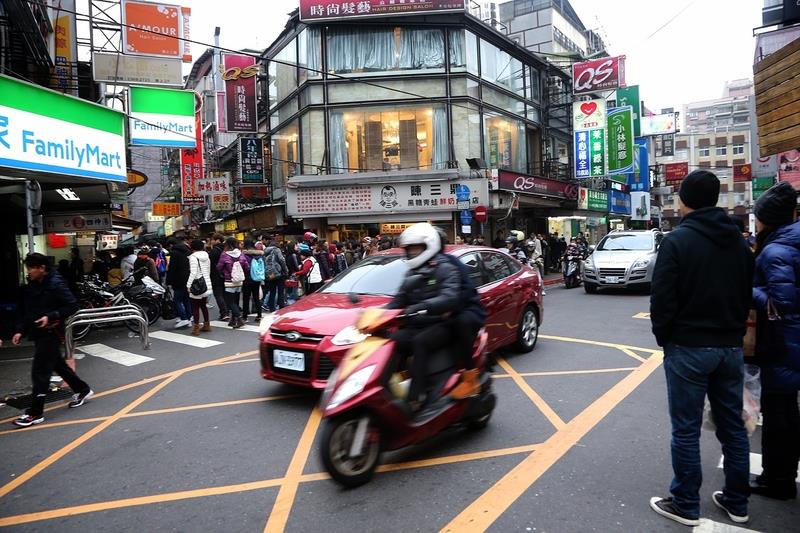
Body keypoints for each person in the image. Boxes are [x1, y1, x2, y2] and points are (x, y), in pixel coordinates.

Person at [649, 170, 754, 527]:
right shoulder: (739, 242)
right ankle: (737, 502)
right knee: (733, 428)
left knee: (686, 428)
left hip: (688, 347)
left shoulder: (677, 241)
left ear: (685, 200)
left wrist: (665, 338)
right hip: (729, 346)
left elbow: (662, 299)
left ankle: (685, 503)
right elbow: (746, 294)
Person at [748, 182, 800, 501]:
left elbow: (782, 300)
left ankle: (777, 480)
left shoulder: (777, 250)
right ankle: (780, 475)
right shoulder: (790, 243)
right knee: (786, 412)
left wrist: (747, 290)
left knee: (779, 415)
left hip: (783, 343)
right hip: (790, 341)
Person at [11, 253, 93, 427]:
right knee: (58, 365)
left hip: (52, 332)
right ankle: (82, 389)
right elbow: (28, 311)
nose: (29, 272)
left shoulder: (56, 284)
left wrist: (51, 316)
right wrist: (20, 330)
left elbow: (72, 305)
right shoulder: (32, 285)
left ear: (42, 268)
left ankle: (35, 413)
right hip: (38, 332)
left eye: (32, 268)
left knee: (40, 372)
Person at [387, 223, 462, 411]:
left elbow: (450, 297)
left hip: (441, 324)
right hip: (415, 325)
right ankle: (385, 389)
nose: (412, 252)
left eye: (416, 248)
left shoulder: (446, 269)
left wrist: (424, 306)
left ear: (429, 246)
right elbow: (398, 300)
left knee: (420, 342)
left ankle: (416, 397)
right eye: (409, 248)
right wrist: (377, 314)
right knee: (390, 341)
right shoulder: (411, 272)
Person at [434, 228, 487, 399]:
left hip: (465, 310)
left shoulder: (450, 263)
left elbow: (466, 290)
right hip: (435, 312)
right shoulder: (416, 265)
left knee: (461, 324)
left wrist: (449, 308)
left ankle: (470, 378)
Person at [216, 236, 249, 328]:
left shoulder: (224, 254)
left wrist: (224, 272)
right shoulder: (240, 254)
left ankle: (238, 318)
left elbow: (219, 267)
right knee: (236, 300)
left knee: (230, 301)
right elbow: (247, 267)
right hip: (239, 281)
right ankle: (233, 320)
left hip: (229, 281)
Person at [187, 239, 213, 336]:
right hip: (206, 283)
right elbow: (208, 270)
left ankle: (196, 328)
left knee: (195, 306)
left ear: (192, 248)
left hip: (197, 285)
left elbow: (193, 272)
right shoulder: (207, 256)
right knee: (203, 305)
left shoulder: (193, 257)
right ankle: (207, 325)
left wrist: (188, 285)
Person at [166, 238, 192, 329]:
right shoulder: (188, 251)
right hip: (188, 278)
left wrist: (168, 281)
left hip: (178, 280)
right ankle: (189, 317)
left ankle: (184, 318)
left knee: (177, 300)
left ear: (171, 245)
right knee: (186, 299)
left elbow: (172, 268)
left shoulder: (174, 253)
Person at [262, 238, 289, 313]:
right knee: (280, 291)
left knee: (272, 291)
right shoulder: (276, 250)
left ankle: (271, 308)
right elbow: (282, 260)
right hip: (278, 273)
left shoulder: (265, 251)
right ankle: (281, 307)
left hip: (270, 274)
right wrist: (286, 270)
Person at [241, 239, 264, 322]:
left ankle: (245, 316)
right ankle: (259, 315)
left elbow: (243, 267)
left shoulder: (244, 255)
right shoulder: (259, 255)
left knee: (246, 298)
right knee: (256, 297)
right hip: (257, 278)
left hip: (247, 279)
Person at [208, 234, 229, 322]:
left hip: (216, 275)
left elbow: (210, 264)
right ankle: (227, 311)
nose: (211, 242)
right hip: (226, 275)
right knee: (224, 294)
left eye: (212, 240)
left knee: (218, 294)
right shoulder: (226, 249)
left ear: (217, 240)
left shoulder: (214, 251)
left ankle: (224, 313)